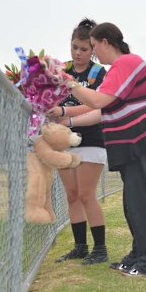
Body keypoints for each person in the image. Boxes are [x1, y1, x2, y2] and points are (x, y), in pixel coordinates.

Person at [67, 22, 146, 277]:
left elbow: (97, 100)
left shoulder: (126, 63)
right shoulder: (120, 69)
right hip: (136, 145)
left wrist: (69, 83)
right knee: (133, 203)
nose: (94, 54)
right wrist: (66, 117)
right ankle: (139, 255)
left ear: (106, 42)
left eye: (94, 47)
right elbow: (99, 109)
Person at [46, 18, 108, 265]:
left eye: (84, 49)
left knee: (86, 194)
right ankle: (80, 246)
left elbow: (96, 104)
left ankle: (100, 249)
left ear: (93, 49)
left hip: (91, 139)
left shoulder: (97, 73)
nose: (78, 53)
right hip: (64, 141)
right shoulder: (61, 72)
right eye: (74, 47)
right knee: (72, 195)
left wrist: (65, 114)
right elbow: (51, 100)